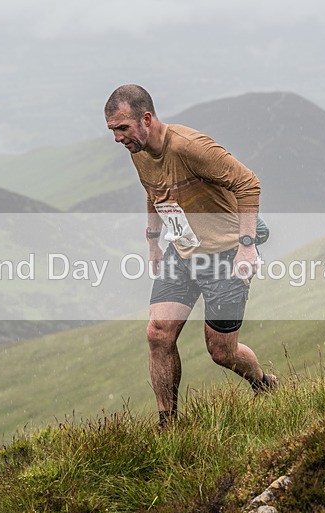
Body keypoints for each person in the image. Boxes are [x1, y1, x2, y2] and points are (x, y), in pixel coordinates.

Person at [104, 84, 278, 428]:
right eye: (113, 130)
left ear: (146, 118)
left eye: (122, 128)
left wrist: (246, 246)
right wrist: (153, 241)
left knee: (222, 352)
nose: (118, 138)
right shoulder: (138, 150)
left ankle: (263, 384)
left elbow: (248, 183)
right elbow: (153, 192)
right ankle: (168, 424)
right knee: (158, 334)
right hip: (182, 253)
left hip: (225, 256)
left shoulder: (190, 147)